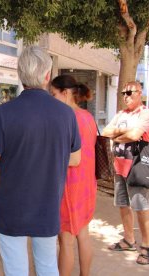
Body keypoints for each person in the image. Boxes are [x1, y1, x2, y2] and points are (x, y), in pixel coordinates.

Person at [0, 46, 81, 276]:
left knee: (15, 270)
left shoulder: (4, 114)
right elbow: (75, 158)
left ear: (21, 75)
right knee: (47, 267)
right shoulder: (66, 115)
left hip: (12, 209)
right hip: (48, 206)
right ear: (46, 76)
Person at [50, 75, 97, 275]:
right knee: (83, 234)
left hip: (70, 186)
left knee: (66, 241)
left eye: (53, 94)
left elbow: (67, 157)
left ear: (66, 93)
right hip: (87, 184)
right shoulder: (87, 117)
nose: (51, 99)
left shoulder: (66, 118)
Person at [102, 81, 149, 265]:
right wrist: (123, 131)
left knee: (141, 208)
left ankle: (146, 246)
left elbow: (134, 135)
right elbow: (106, 131)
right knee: (123, 204)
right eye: (123, 93)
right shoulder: (121, 114)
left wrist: (118, 134)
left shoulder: (144, 113)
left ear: (140, 93)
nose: (126, 96)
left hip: (136, 167)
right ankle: (129, 239)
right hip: (119, 166)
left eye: (130, 92)